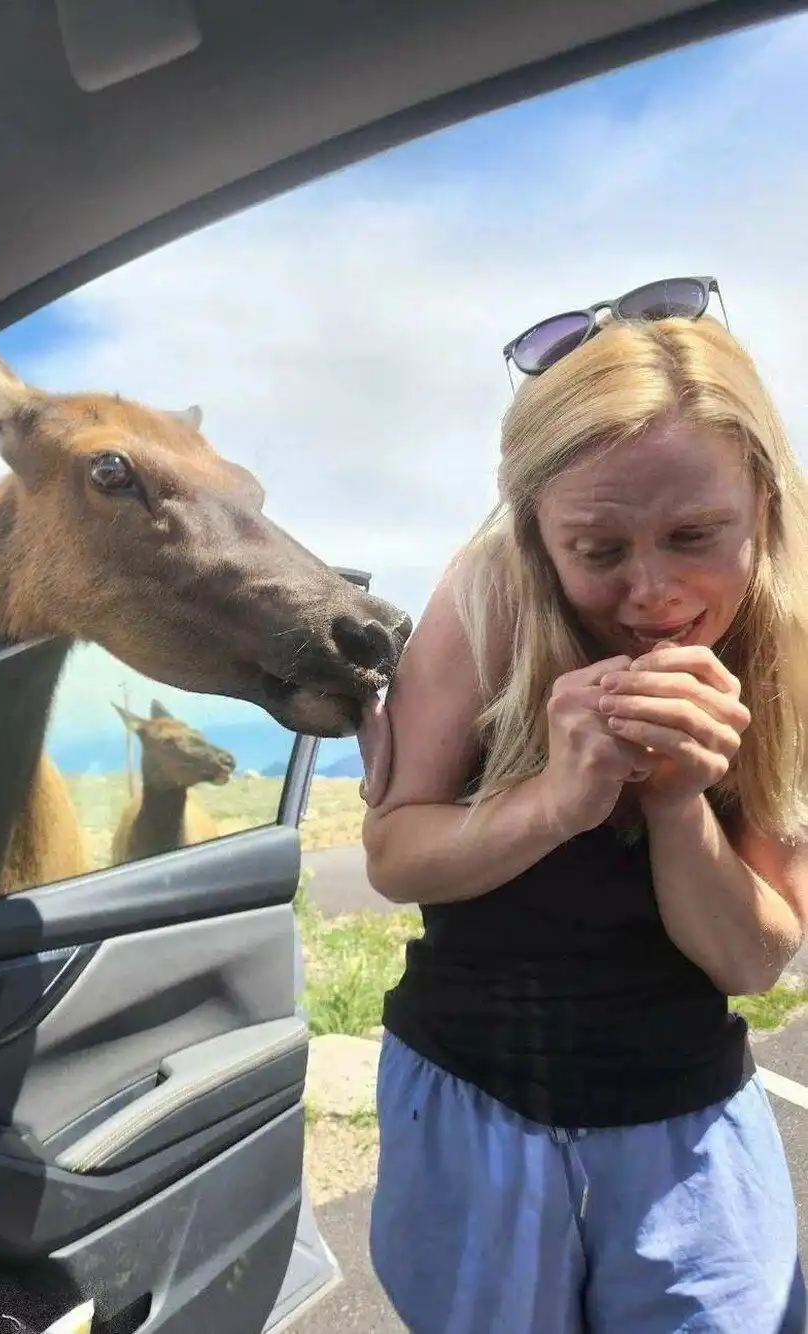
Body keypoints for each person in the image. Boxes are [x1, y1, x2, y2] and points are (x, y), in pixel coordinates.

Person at [358, 277, 808, 1334]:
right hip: (472, 1097)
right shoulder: (488, 596)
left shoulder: (784, 643)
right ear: (537, 535)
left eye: (696, 535)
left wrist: (677, 800)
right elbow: (394, 853)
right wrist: (557, 800)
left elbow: (752, 960)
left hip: (685, 1124)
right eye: (599, 550)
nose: (652, 594)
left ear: (763, 502)